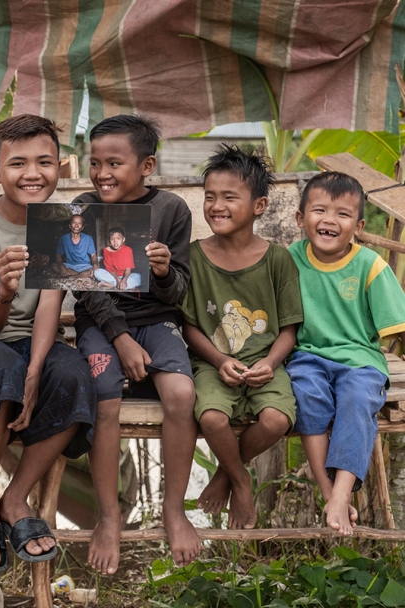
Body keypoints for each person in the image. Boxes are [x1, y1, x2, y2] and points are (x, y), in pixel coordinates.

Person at [0, 115, 95, 575]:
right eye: (18, 163)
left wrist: (36, 371)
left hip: (36, 340)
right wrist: (5, 292)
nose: (33, 173)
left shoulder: (62, 222)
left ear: (60, 167)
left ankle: (17, 496)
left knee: (73, 373)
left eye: (44, 162)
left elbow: (50, 304)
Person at [73, 114, 200, 572]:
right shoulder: (84, 207)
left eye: (115, 163)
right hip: (100, 324)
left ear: (146, 165)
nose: (102, 173)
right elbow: (84, 285)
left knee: (182, 394)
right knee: (105, 400)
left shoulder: (171, 211)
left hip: (158, 321)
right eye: (95, 163)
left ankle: (174, 508)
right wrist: (120, 337)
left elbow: (180, 290)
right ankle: (108, 517)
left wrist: (165, 272)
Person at [180, 145, 303, 530]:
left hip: (267, 363)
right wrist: (218, 361)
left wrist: (270, 363)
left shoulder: (278, 260)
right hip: (213, 364)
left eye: (230, 197)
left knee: (276, 420)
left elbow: (289, 328)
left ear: (259, 205)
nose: (217, 205)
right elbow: (189, 326)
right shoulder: (193, 256)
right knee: (213, 418)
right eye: (210, 197)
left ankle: (226, 475)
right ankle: (242, 480)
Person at [286, 172, 405, 535]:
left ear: (359, 225)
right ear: (300, 218)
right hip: (306, 358)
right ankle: (332, 495)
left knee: (356, 400)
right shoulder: (288, 260)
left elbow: (399, 328)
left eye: (342, 214)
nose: (329, 220)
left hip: (361, 362)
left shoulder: (371, 266)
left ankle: (338, 496)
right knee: (306, 397)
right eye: (319, 210)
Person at [94, 226, 142, 290]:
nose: (115, 242)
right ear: (109, 241)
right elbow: (110, 269)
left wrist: (124, 280)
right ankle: (121, 285)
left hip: (126, 276)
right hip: (113, 276)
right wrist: (118, 280)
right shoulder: (106, 250)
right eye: (112, 239)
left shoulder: (128, 250)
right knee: (97, 272)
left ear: (123, 239)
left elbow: (128, 269)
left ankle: (112, 285)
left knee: (140, 277)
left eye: (118, 238)